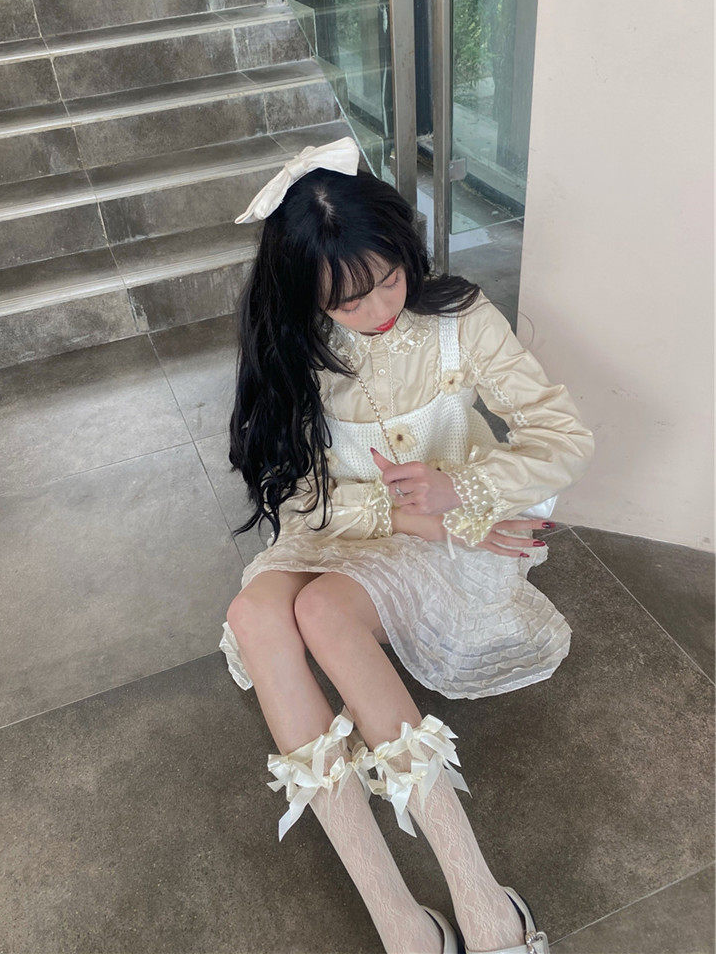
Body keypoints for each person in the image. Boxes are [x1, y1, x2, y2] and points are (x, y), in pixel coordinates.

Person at [219, 137, 594, 954]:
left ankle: (478, 893)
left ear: (404, 246)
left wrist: (462, 491)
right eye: (347, 301)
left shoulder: (458, 319)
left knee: (324, 613)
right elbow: (300, 496)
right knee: (254, 615)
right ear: (306, 294)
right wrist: (414, 514)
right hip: (346, 529)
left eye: (389, 277)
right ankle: (398, 917)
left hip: (453, 533)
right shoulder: (295, 347)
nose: (379, 306)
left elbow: (565, 437)